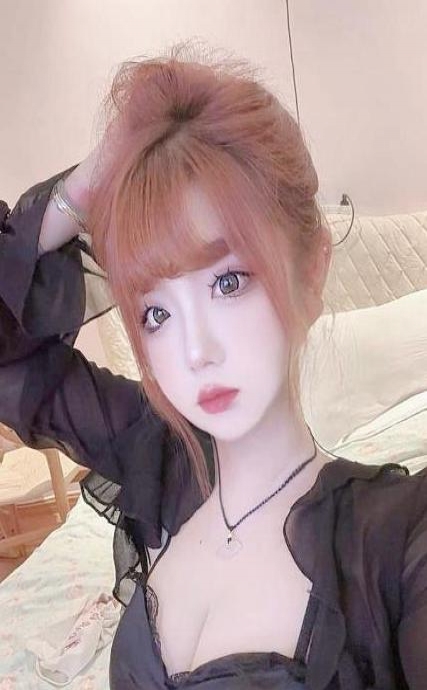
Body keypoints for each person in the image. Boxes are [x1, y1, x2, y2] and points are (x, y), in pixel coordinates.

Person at [0, 41, 426, 690]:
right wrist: (83, 191)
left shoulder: (395, 542)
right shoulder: (156, 458)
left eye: (227, 283)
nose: (194, 350)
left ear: (312, 270)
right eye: (155, 312)